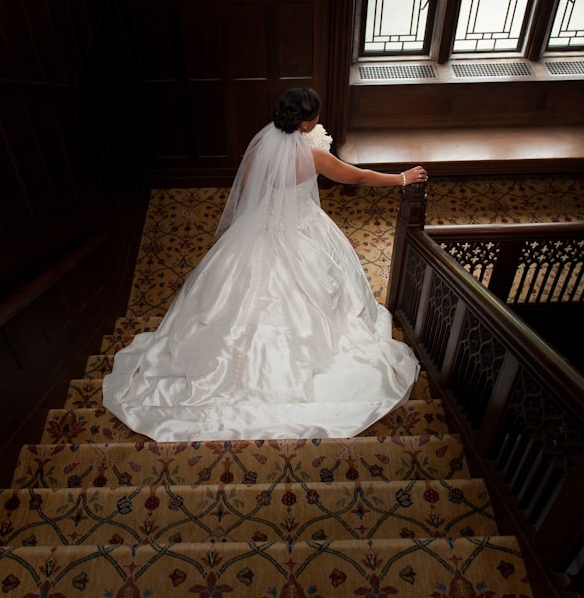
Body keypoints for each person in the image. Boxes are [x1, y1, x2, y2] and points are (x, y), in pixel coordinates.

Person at [102, 88, 429, 441]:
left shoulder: (259, 146)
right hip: (303, 232)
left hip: (257, 232)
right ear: (306, 123)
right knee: (322, 297)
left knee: (234, 297)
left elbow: (248, 188)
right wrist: (401, 179)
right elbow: (359, 177)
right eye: (316, 116)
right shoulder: (314, 158)